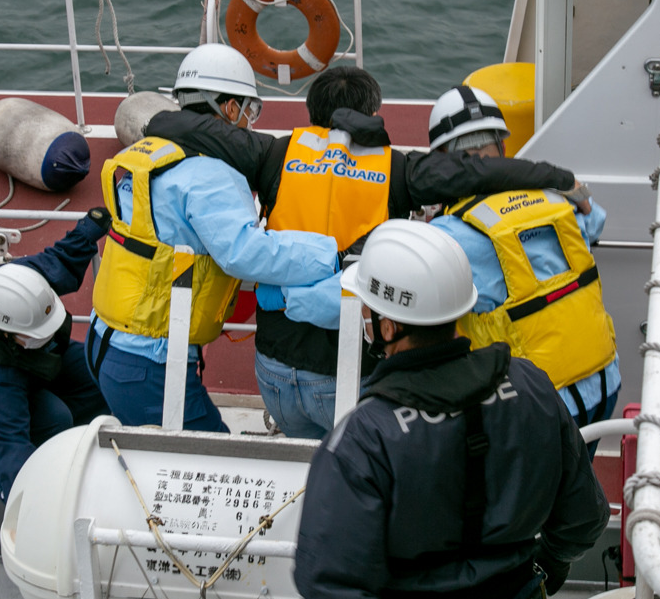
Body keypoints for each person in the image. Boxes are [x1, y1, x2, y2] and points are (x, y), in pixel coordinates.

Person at [146, 64, 591, 440]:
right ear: (374, 114)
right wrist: (559, 176)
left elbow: (173, 123)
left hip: (274, 374)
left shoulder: (275, 153)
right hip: (348, 378)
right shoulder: (400, 170)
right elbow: (475, 172)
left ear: (313, 114)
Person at [293, 220, 609, 599]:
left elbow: (333, 586)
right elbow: (583, 517)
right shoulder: (530, 385)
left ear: (388, 324)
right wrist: (551, 560)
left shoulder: (365, 437)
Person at [87, 43, 340, 432]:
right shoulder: (211, 175)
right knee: (209, 463)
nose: (249, 121)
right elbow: (245, 254)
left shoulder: (151, 153)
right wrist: (331, 253)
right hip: (149, 361)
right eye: (248, 109)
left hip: (104, 340)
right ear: (228, 108)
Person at [426, 85, 622, 438]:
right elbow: (596, 220)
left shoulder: (451, 233)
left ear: (441, 161)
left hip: (539, 405)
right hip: (605, 380)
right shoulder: (553, 197)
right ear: (502, 147)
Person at [0, 207, 113, 502]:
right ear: (8, 332)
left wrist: (89, 229)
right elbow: (12, 454)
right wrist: (32, 509)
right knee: (55, 418)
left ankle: (70, 438)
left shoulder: (18, 282)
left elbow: (59, 259)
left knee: (100, 369)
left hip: (22, 359)